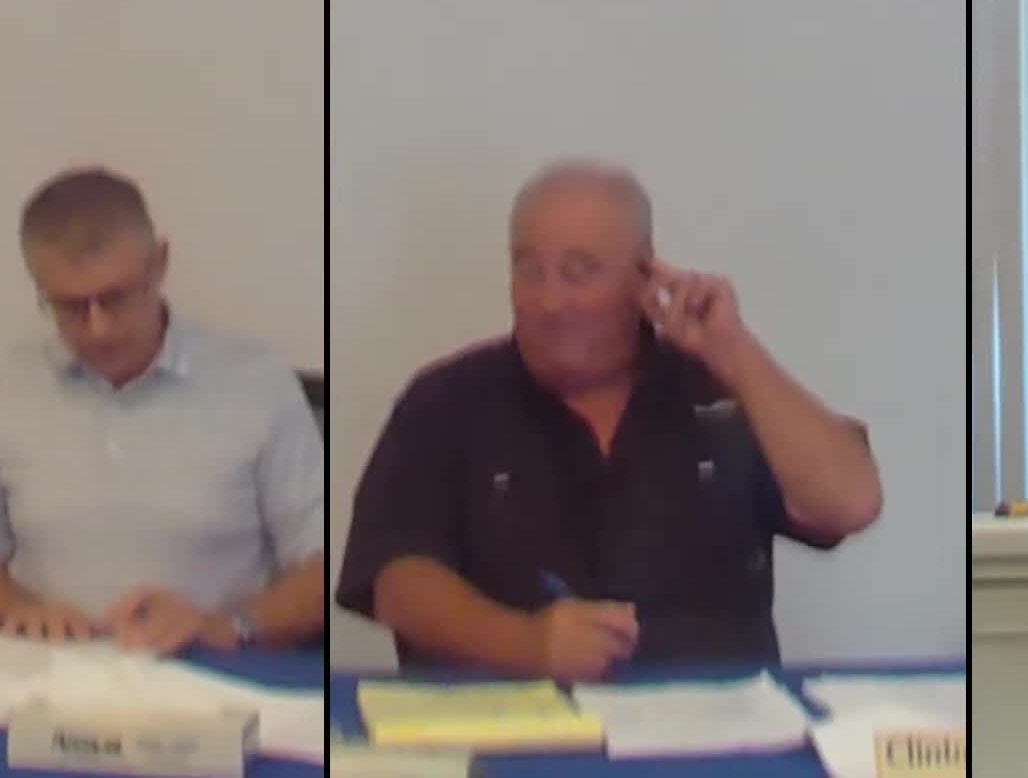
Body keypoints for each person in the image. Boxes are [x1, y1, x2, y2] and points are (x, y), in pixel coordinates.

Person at [334, 160, 883, 682]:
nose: (550, 301)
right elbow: (397, 581)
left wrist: (736, 352)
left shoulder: (724, 392)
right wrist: (527, 644)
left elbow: (851, 503)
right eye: (529, 270)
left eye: (579, 273)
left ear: (644, 276)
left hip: (711, 725)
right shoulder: (447, 400)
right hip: (505, 722)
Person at [0, 167, 325, 655]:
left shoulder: (257, 383)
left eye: (116, 298)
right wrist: (20, 610)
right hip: (57, 667)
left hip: (211, 668)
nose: (98, 328)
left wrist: (225, 626)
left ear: (160, 264)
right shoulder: (14, 387)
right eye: (70, 307)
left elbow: (317, 569)